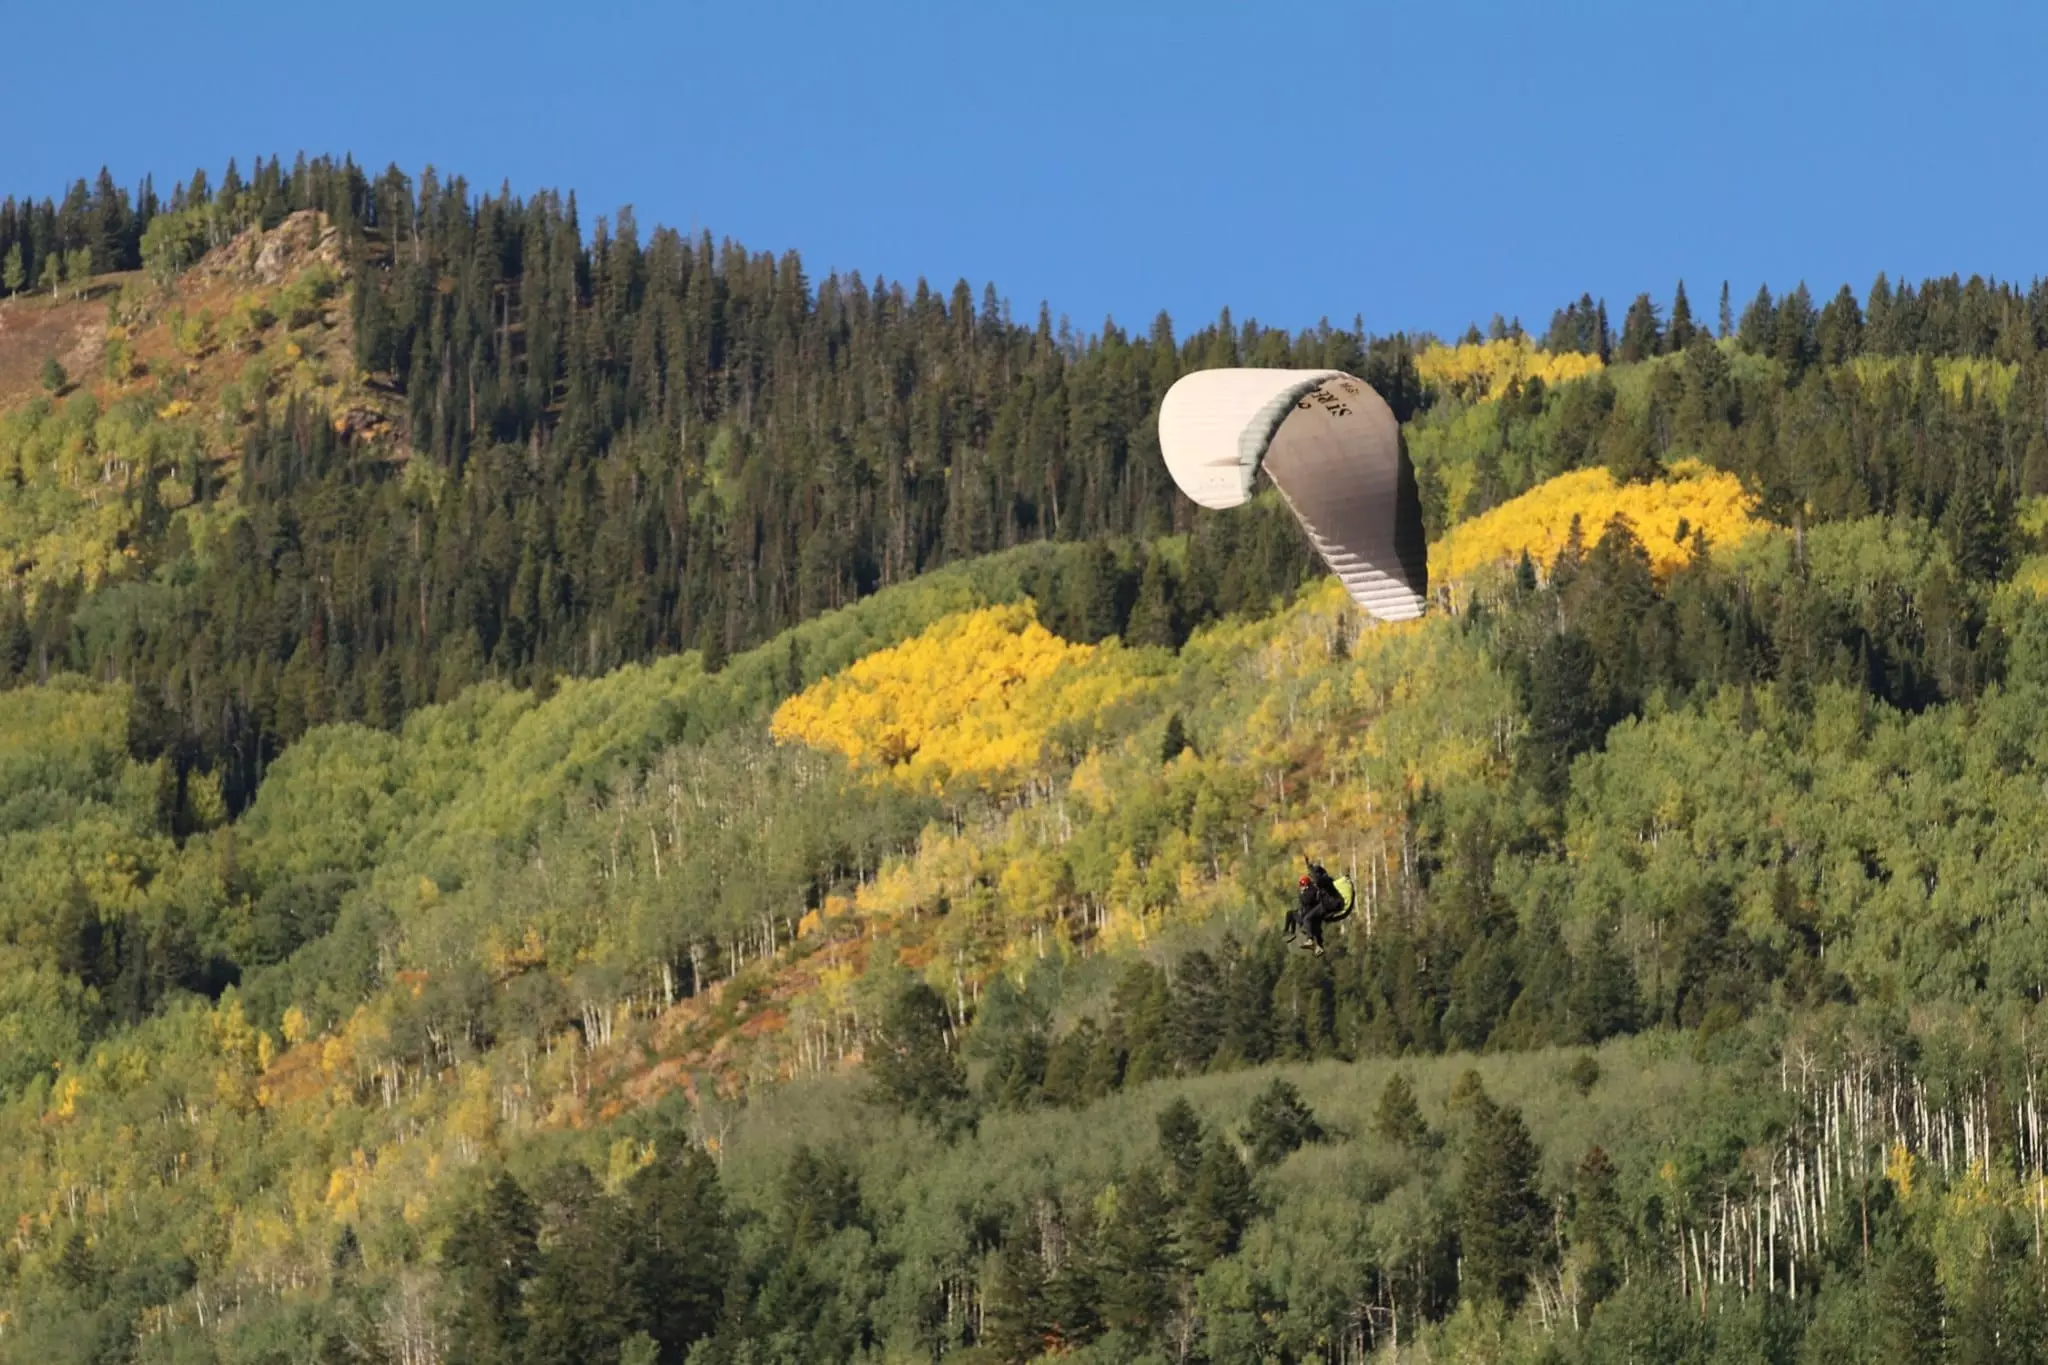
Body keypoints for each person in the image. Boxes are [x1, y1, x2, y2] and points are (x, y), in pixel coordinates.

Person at [1284, 859, 1353, 955]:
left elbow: (1317, 880)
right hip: (1329, 904)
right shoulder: (1325, 881)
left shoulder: (1325, 880)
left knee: (1307, 919)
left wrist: (1310, 868)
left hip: (1329, 905)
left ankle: (1310, 940)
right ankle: (1319, 947)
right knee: (1313, 921)